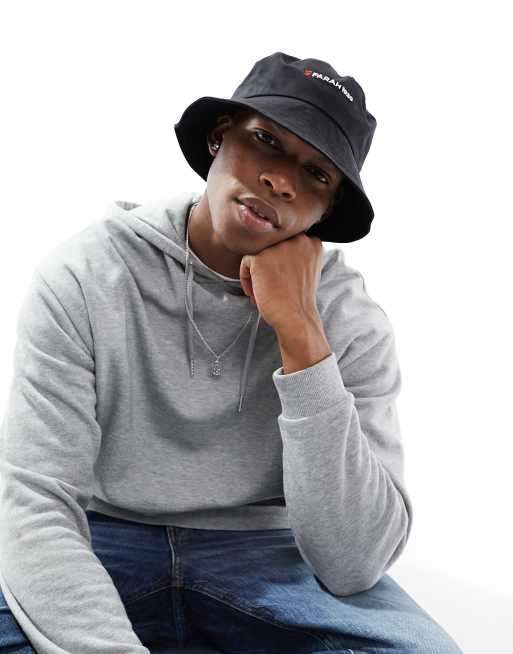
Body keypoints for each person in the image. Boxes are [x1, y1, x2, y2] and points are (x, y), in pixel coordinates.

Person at [0, 52, 463, 653]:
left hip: (267, 550)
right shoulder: (87, 276)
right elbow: (35, 504)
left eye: (316, 175)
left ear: (327, 211)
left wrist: (302, 333)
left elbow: (355, 562)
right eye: (266, 141)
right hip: (102, 534)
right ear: (219, 137)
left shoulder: (349, 319)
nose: (281, 181)